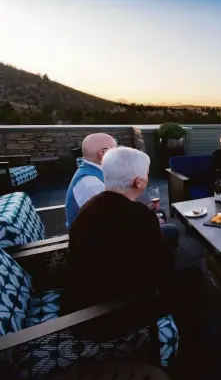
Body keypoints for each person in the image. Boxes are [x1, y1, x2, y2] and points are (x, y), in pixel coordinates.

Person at [60, 147, 175, 314]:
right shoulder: (138, 215)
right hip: (112, 311)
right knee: (190, 279)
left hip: (83, 295)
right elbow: (161, 265)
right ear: (138, 182)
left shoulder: (92, 204)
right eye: (147, 174)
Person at [65, 133, 117, 227]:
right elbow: (110, 221)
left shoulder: (94, 171)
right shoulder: (91, 183)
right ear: (102, 153)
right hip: (88, 238)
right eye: (115, 149)